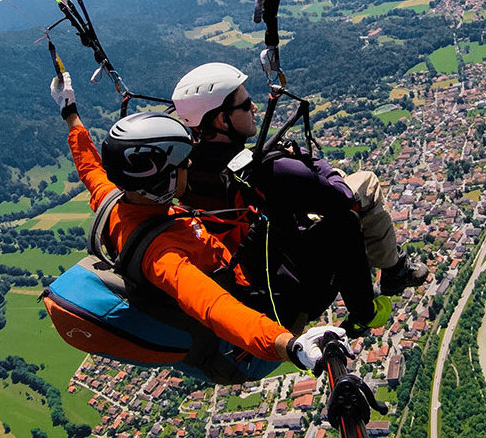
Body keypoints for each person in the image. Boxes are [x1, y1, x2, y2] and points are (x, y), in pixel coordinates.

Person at [49, 70, 351, 380]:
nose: (189, 164)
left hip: (238, 297)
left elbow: (89, 167)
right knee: (343, 225)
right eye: (181, 163)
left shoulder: (115, 201)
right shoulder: (164, 257)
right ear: (162, 181)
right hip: (248, 349)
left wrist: (69, 111)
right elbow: (213, 305)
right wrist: (291, 346)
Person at [171, 63, 428, 318]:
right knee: (364, 184)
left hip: (248, 277)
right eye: (245, 103)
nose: (254, 107)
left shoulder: (184, 167)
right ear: (220, 119)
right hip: (296, 285)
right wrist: (315, 164)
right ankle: (393, 272)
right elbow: (341, 198)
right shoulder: (272, 169)